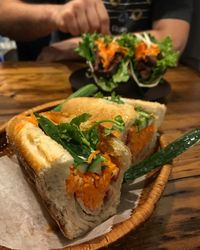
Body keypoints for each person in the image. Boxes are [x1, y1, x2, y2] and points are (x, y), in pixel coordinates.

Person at [0, 0, 193, 62]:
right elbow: (4, 16)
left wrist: (87, 46)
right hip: (61, 81)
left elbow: (172, 41)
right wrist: (55, 14)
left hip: (142, 85)